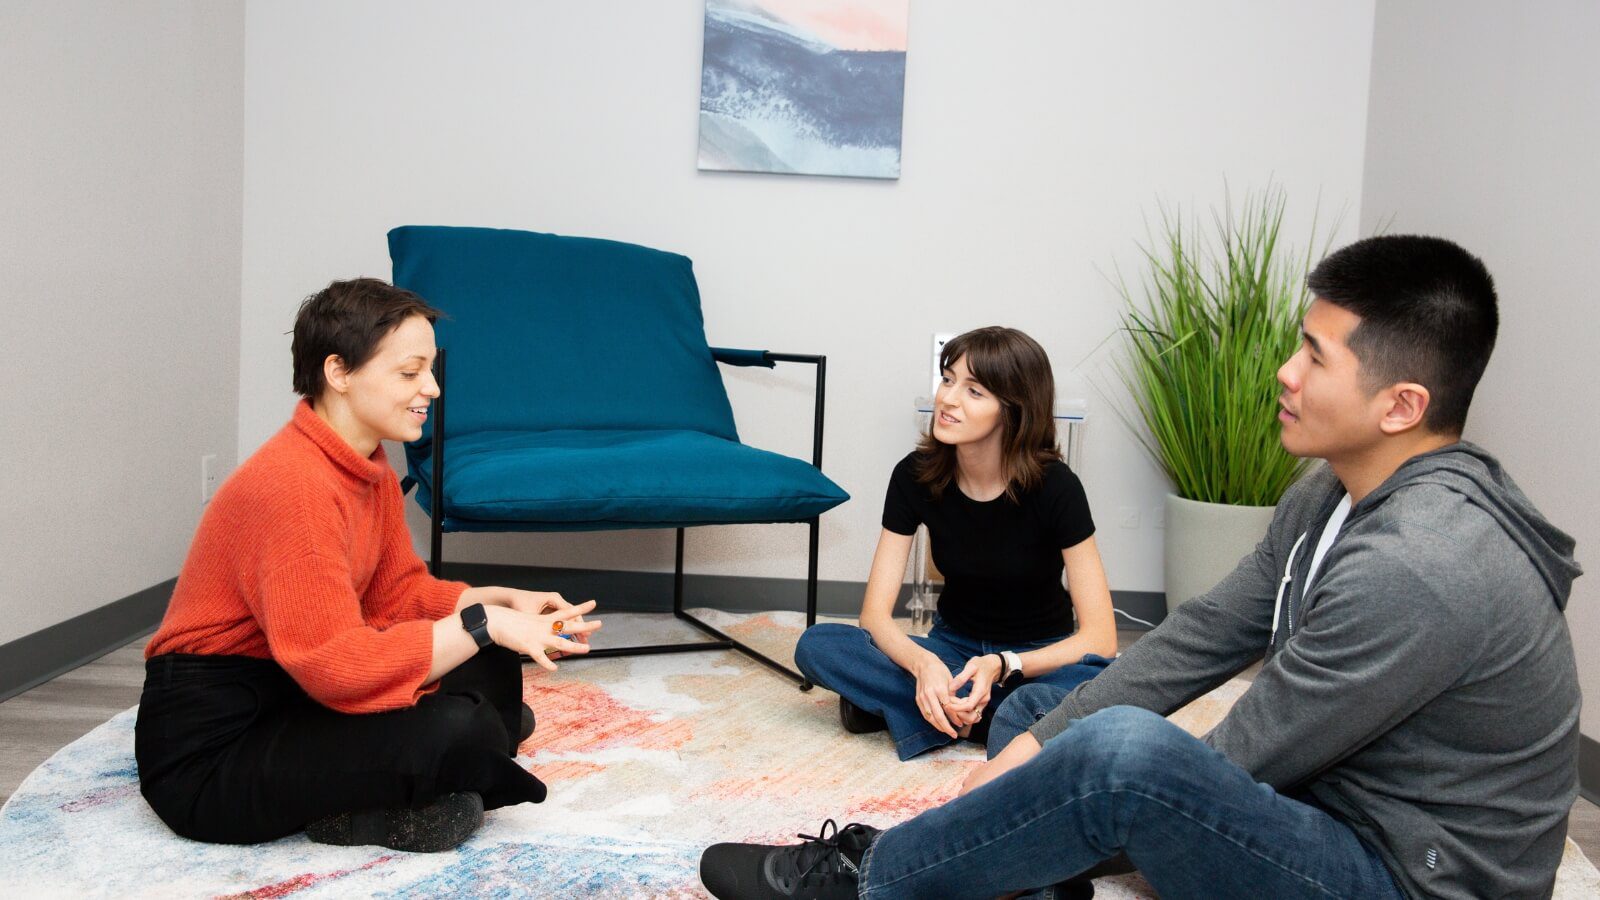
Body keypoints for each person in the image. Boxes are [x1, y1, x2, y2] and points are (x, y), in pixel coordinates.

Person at [699, 235, 1581, 899]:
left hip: (1412, 878)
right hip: (1347, 812)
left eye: (1315, 356)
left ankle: (874, 880)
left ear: (1403, 405)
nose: (1283, 371)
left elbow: (1240, 755)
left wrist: (1035, 803)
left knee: (1126, 757)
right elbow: (1197, 638)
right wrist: (1037, 748)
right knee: (1082, 745)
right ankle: (1016, 863)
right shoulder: (1327, 497)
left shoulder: (1422, 564)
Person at [136, 278, 602, 853]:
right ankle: (440, 767)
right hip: (212, 753)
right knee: (461, 721)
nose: (430, 387)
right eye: (410, 372)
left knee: (489, 665)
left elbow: (396, 594)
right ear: (339, 372)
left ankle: (457, 756)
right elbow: (333, 666)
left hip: (289, 692)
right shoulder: (292, 489)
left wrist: (500, 603)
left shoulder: (367, 465)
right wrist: (481, 624)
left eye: (430, 370)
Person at [792, 326, 1118, 760]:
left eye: (974, 390)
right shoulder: (914, 475)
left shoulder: (1057, 487)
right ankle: (993, 719)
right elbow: (874, 616)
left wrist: (1004, 664)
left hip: (1034, 661)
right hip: (950, 650)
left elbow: (1101, 637)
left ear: (1014, 410)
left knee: (1103, 684)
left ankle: (917, 711)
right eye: (948, 380)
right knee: (818, 645)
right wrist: (923, 665)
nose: (947, 399)